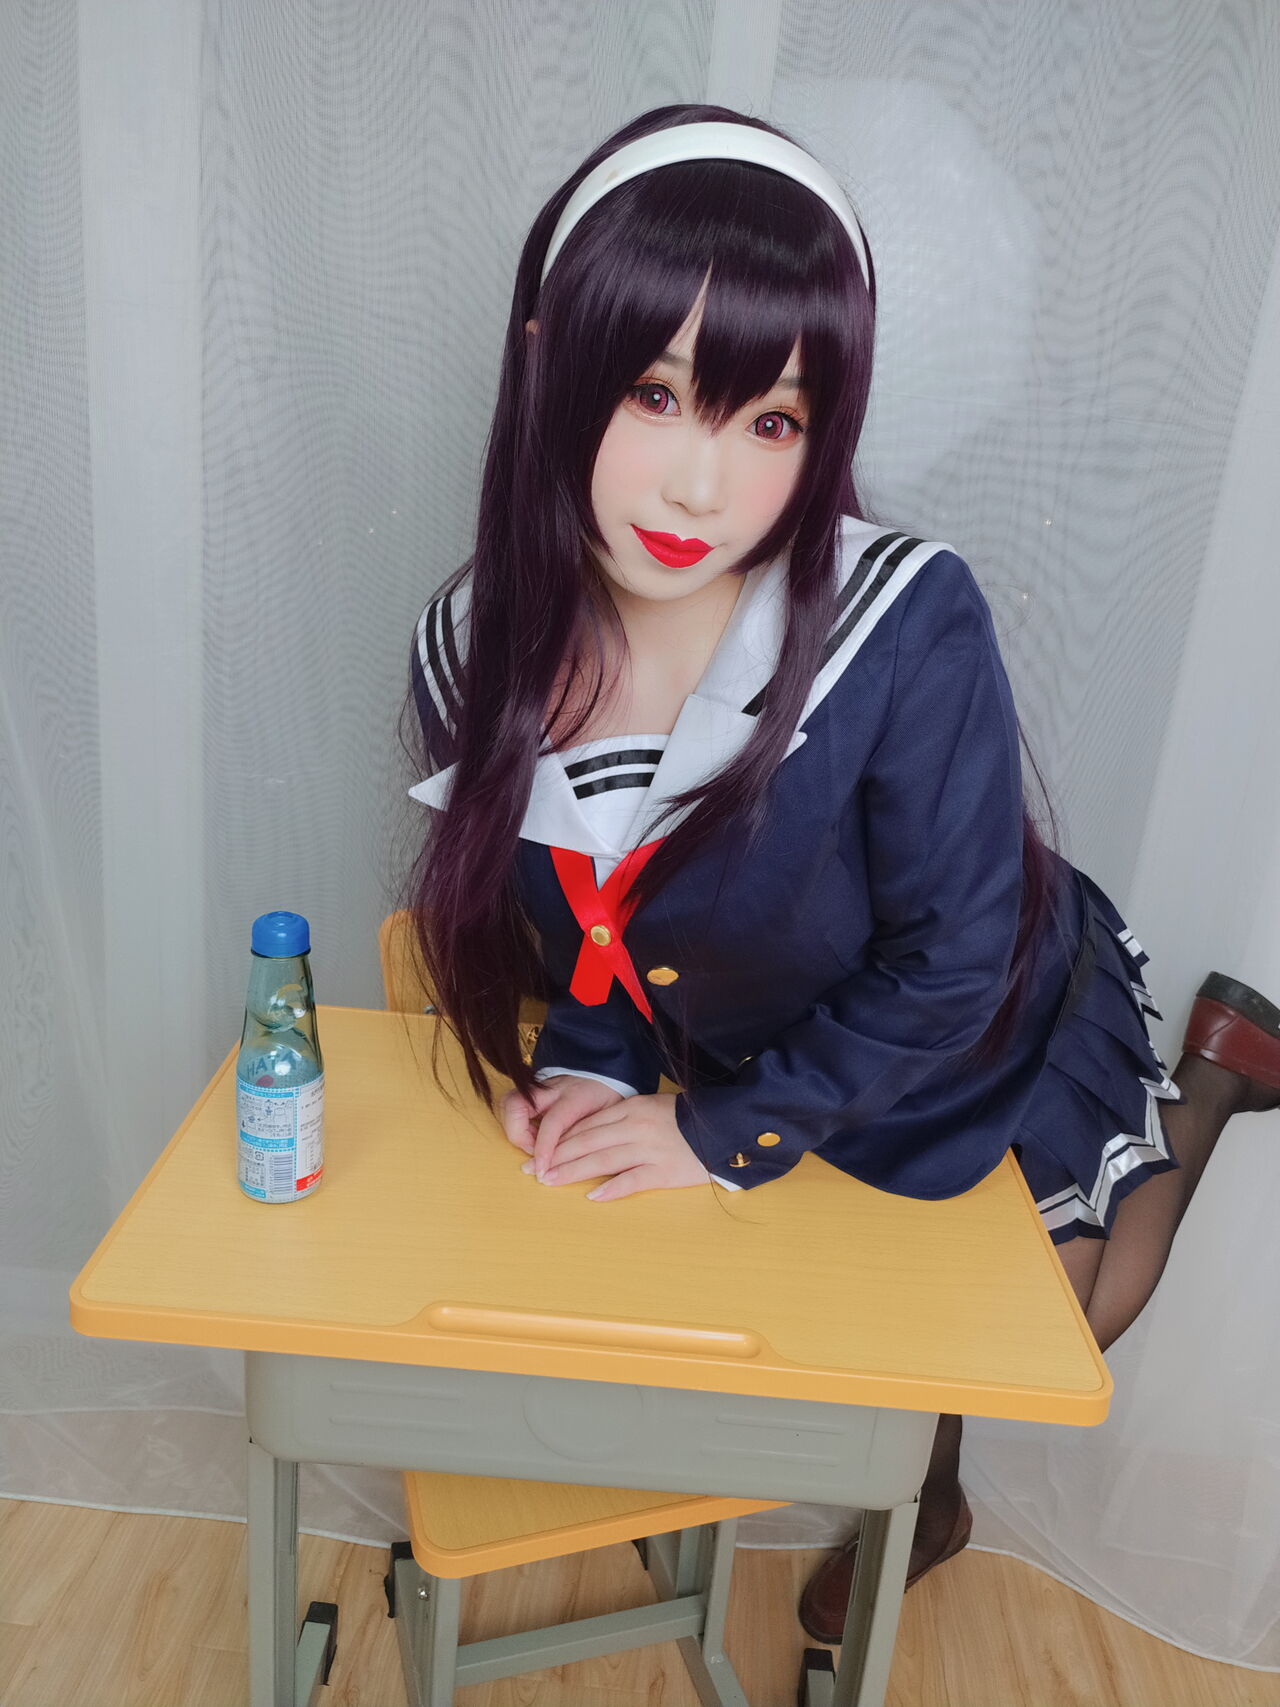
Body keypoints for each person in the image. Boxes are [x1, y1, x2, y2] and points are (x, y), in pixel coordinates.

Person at [400, 104, 1280, 1645]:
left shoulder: (902, 617)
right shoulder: (473, 648)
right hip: (752, 1025)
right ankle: (928, 1502)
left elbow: (950, 963)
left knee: (1060, 1329)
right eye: (655, 393)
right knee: (882, 1338)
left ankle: (1210, 1081)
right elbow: (592, 916)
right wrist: (599, 1072)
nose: (698, 488)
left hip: (972, 1013)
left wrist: (716, 1134)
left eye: (771, 423)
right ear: (548, 360)